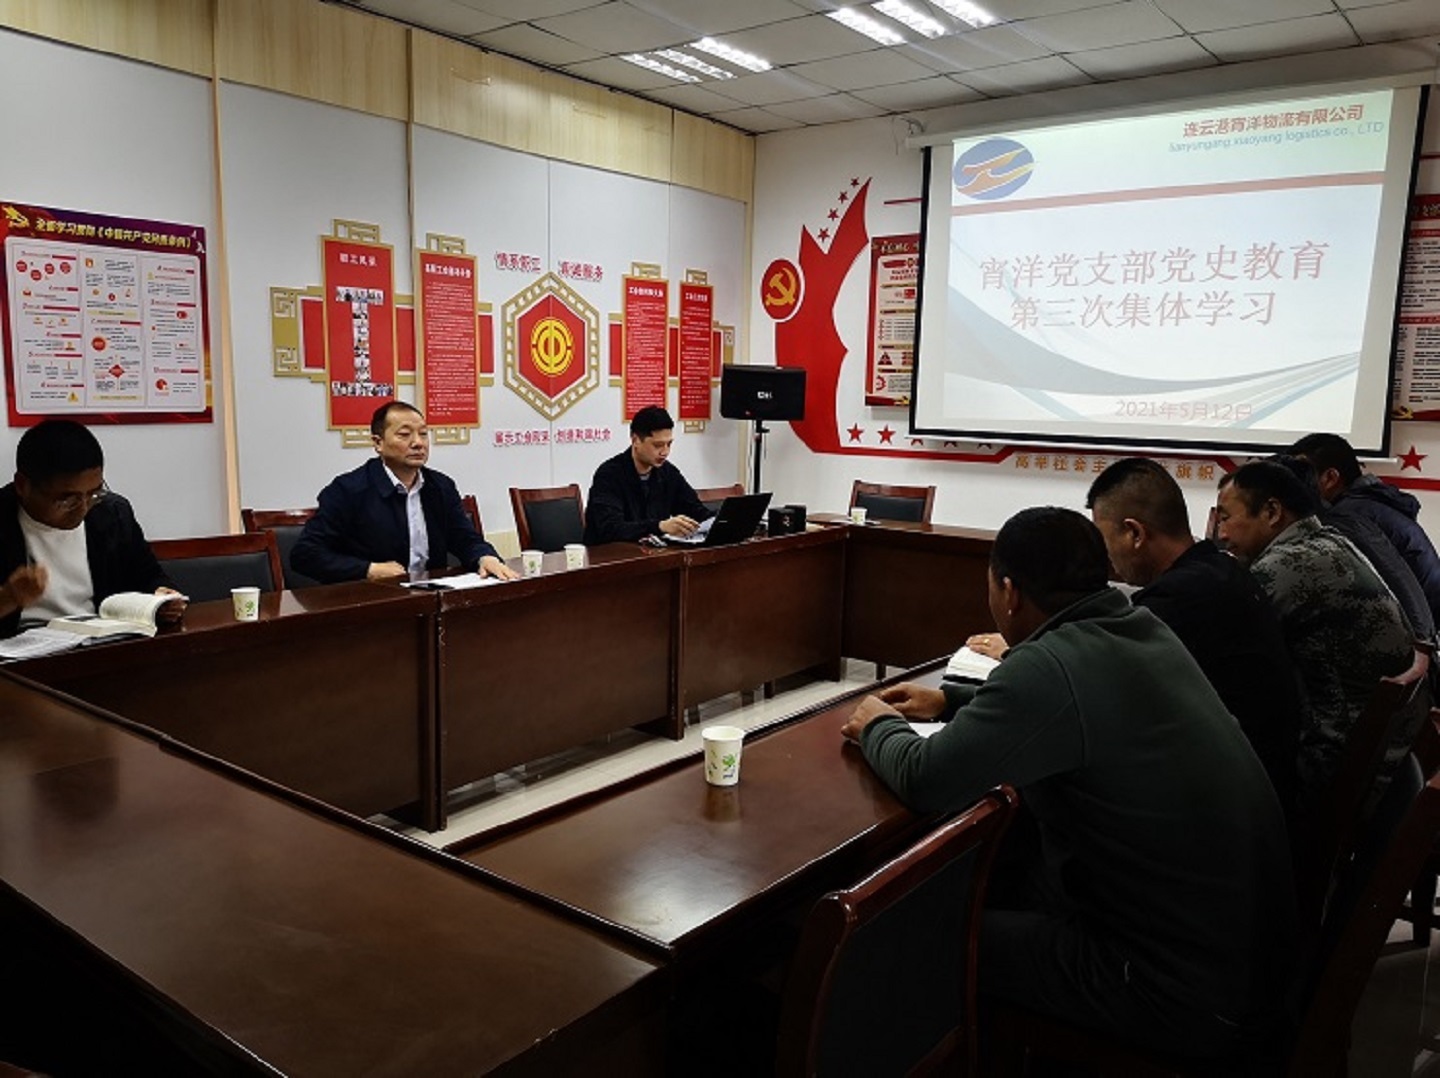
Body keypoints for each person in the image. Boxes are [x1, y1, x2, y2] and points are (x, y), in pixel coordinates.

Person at [841, 507, 1294, 1061]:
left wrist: (878, 725)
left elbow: (925, 778)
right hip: (1244, 964)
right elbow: (1067, 711)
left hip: (1168, 987)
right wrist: (951, 699)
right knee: (999, 880)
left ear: (1009, 592)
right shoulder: (1138, 626)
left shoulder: (1050, 664)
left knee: (900, 937)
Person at [1084, 457, 1302, 805]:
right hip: (1262, 786)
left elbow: (1103, 694)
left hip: (1232, 807)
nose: (1107, 557)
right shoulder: (1219, 572)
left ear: (1135, 533)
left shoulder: (1177, 601)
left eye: (1105, 540)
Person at [1215, 460, 1421, 808]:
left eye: (1225, 518)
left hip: (1331, 774)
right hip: (1383, 761)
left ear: (1271, 512)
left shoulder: (1288, 565)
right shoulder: (1328, 542)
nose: (1221, 534)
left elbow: (1221, 648)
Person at [291, 401, 517, 584]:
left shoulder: (440, 486)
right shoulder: (348, 490)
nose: (418, 443)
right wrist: (369, 570)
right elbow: (305, 554)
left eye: (423, 434)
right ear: (378, 443)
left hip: (430, 598)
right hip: (369, 601)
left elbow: (465, 538)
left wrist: (484, 557)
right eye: (405, 434)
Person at [0, 419, 181, 637]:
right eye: (67, 500)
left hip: (99, 641)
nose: (83, 508)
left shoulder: (112, 513)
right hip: (19, 650)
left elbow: (149, 575)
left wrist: (162, 595)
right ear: (22, 485)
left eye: (94, 493)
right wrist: (9, 598)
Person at [1291, 432, 1440, 625]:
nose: (1295, 484)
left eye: (1303, 474)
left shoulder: (1349, 516)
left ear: (1330, 478)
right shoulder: (1372, 502)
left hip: (1416, 627)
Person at [582, 406, 711, 544]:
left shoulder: (668, 473)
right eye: (658, 445)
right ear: (635, 440)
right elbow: (611, 529)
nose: (665, 452)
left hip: (652, 554)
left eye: (669, 444)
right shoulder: (609, 475)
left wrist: (718, 520)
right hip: (611, 554)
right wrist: (660, 527)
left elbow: (696, 512)